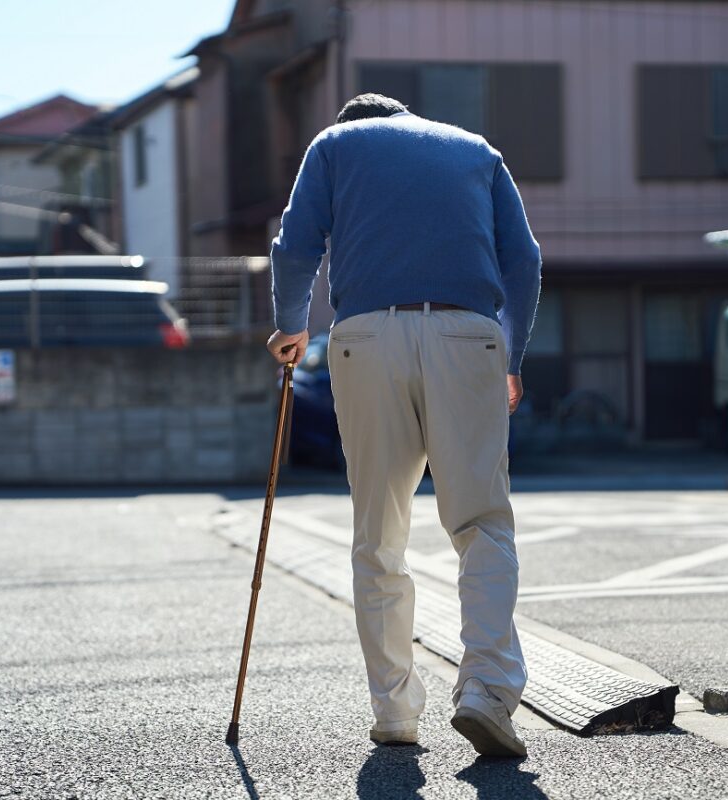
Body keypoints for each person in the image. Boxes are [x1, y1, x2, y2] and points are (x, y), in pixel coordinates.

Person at [266, 93, 541, 758]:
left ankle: (394, 712)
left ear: (352, 125)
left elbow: (295, 244)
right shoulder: (478, 151)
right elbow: (524, 261)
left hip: (365, 337)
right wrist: (512, 354)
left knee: (379, 532)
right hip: (468, 334)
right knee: (481, 524)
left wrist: (291, 325)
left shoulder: (333, 148)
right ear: (405, 117)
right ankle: (486, 691)